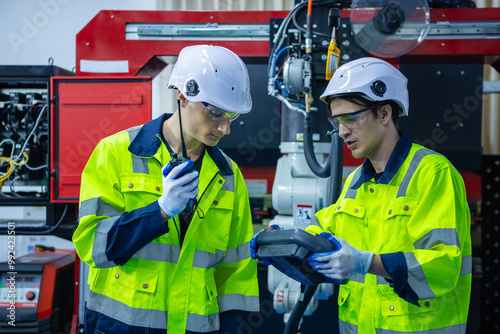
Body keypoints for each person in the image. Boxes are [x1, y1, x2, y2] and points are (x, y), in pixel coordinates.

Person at [252, 57, 472, 333]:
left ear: (384, 113)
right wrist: (281, 241)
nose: (343, 131)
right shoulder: (356, 181)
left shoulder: (433, 174)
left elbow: (443, 266)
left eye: (351, 118)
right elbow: (322, 230)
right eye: (337, 120)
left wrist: (367, 263)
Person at [73, 45, 259, 334]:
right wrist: (159, 212)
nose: (225, 128)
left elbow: (237, 272)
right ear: (183, 95)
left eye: (232, 116)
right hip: (123, 326)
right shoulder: (116, 153)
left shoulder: (229, 176)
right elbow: (92, 246)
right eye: (216, 112)